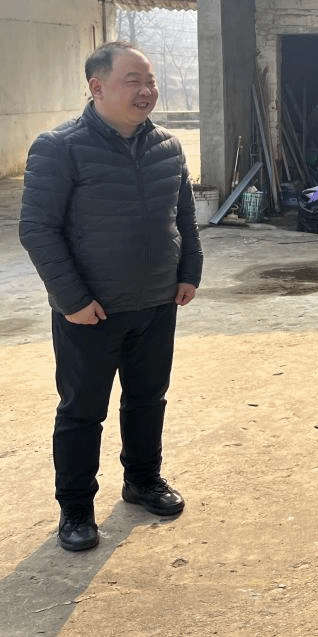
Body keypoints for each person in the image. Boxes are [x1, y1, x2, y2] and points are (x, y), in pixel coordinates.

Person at [20, 41, 202, 552]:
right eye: (133, 81)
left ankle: (142, 480)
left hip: (156, 303)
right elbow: (37, 229)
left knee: (147, 399)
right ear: (97, 87)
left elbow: (184, 217)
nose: (147, 91)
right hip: (90, 312)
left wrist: (188, 272)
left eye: (150, 81)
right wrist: (72, 300)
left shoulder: (168, 146)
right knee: (82, 411)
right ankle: (76, 508)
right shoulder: (59, 147)